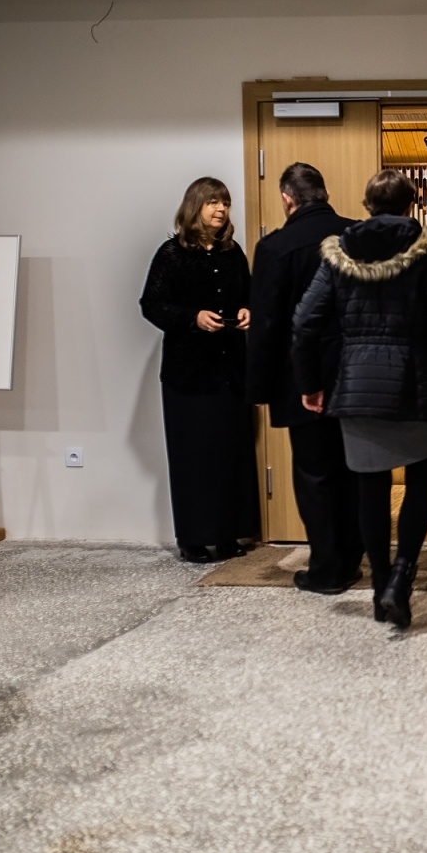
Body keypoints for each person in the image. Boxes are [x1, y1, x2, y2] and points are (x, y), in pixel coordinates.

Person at [292, 169, 427, 629]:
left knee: (370, 489)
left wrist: (311, 382)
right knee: (421, 483)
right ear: (410, 205)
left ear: (366, 204)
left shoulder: (337, 254)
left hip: (356, 387)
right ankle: (402, 575)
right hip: (419, 385)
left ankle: (380, 588)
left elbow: (304, 321)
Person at [246, 163, 364, 595]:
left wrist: (258, 387)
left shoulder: (276, 247)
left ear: (287, 199)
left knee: (315, 474)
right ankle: (353, 557)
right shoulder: (357, 236)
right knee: (355, 470)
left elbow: (267, 324)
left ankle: (327, 568)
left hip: (301, 377)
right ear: (324, 193)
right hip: (357, 373)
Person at [139, 176, 261, 563]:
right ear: (194, 207)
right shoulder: (171, 253)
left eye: (225, 202)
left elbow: (250, 295)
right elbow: (152, 304)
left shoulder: (232, 253)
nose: (221, 209)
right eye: (213, 202)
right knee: (193, 458)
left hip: (230, 371)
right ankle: (192, 539)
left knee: (230, 455)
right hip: (188, 376)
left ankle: (226, 535)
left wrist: (247, 312)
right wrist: (193, 318)